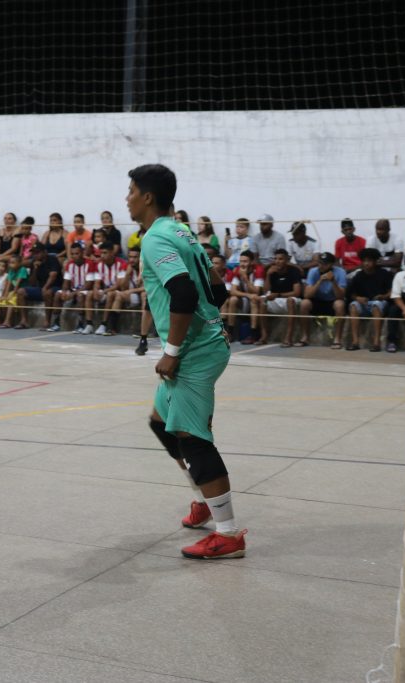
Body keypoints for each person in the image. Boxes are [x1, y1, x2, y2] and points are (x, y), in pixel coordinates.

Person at [127, 163, 245, 560]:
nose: (126, 199)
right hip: (202, 343)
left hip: (192, 352)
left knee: (192, 437)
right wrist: (212, 325)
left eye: (131, 192)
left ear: (147, 197)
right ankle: (204, 500)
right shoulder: (181, 231)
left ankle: (228, 534)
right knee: (161, 423)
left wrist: (173, 352)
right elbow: (217, 288)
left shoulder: (156, 239)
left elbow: (184, 294)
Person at [252, 248, 303, 346]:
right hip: (276, 299)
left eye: (280, 259)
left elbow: (297, 292)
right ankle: (264, 336)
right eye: (275, 259)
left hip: (290, 299)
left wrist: (279, 294)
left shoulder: (293, 271)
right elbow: (266, 291)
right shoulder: (271, 271)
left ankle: (288, 338)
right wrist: (268, 275)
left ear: (286, 260)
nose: (277, 261)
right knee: (262, 301)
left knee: (290, 301)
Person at [346, 248, 393, 351]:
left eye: (369, 261)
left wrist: (383, 296)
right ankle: (355, 342)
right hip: (364, 303)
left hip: (380, 303)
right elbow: (351, 294)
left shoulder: (384, 273)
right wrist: (358, 298)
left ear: (375, 261)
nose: (366, 263)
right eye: (364, 261)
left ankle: (376, 343)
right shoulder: (358, 275)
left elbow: (391, 292)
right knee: (353, 306)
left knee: (376, 305)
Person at [300, 252, 347, 349]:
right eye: (319, 263)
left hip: (332, 301)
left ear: (331, 264)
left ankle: (337, 339)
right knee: (304, 303)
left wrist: (333, 281)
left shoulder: (340, 272)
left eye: (324, 264)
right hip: (317, 301)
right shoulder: (313, 271)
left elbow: (340, 296)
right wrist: (319, 281)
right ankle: (305, 337)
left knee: (340, 304)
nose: (320, 266)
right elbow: (307, 295)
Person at [17, 242, 61, 330]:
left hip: (55, 288)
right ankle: (24, 321)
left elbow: (53, 275)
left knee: (47, 292)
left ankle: (47, 322)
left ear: (44, 252)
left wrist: (45, 287)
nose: (35, 255)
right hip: (40, 289)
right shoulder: (34, 262)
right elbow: (32, 282)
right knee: (21, 292)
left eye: (37, 252)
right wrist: (35, 269)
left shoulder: (52, 259)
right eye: (34, 253)